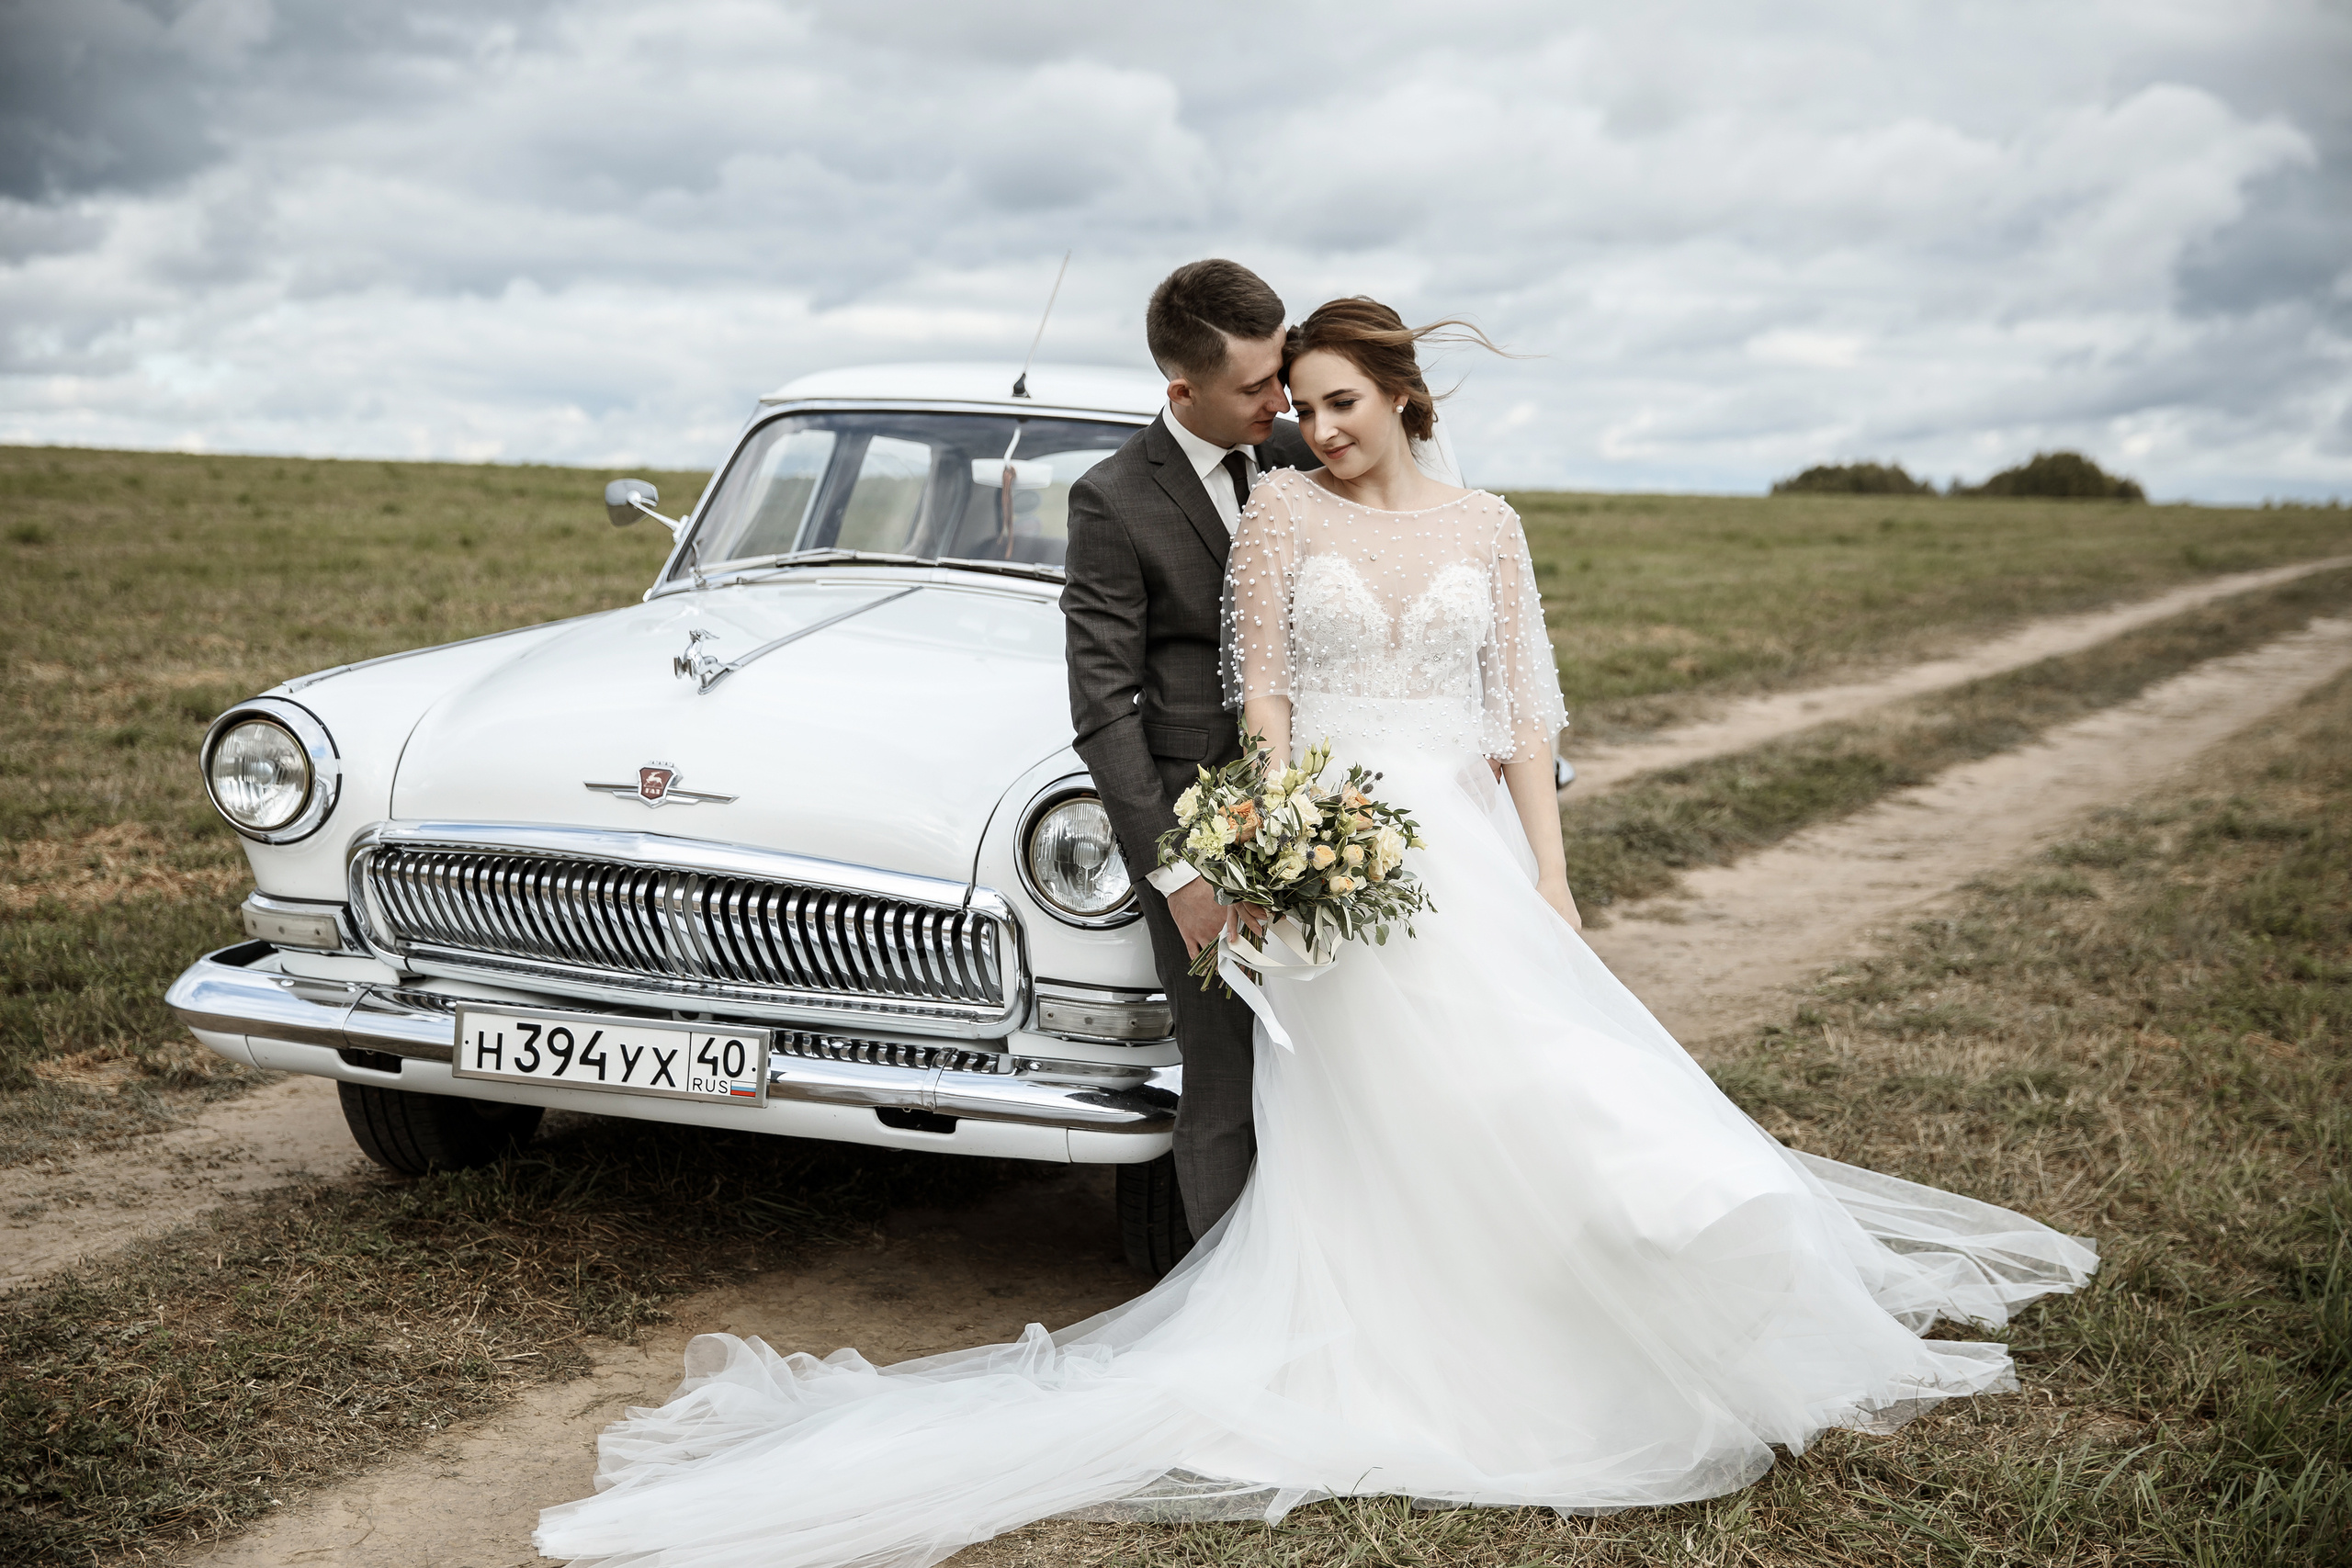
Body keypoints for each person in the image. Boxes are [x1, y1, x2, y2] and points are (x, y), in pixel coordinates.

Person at [533, 296, 2098, 1568]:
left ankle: (1651, 1275)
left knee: (1538, 1076)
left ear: (1404, 398)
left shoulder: (1481, 523)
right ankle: (1414, 1341)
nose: (1313, 423)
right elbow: (1258, 695)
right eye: (1298, 400)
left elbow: (1524, 708)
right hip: (1331, 838)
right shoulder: (1272, 516)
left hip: (1473, 848)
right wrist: (1274, 846)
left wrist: (1553, 880)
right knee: (1365, 1115)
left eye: (1338, 401)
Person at [1057, 258, 1319, 1258]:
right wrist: (1177, 873)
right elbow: (1101, 707)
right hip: (1200, 822)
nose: (1280, 397)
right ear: (1182, 390)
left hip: (1329, 805)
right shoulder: (1114, 499)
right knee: (1222, 1072)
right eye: (1255, 386)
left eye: (1281, 370)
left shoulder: (1306, 453)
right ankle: (1231, 1295)